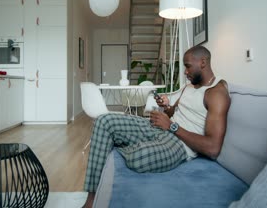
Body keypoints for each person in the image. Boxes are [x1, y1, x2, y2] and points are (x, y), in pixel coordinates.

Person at [82, 46, 230, 208]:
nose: (185, 72)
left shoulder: (216, 93)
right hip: (162, 127)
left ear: (203, 62)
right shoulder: (189, 87)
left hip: (180, 145)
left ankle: (118, 143)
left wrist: (172, 127)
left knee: (138, 158)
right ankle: (91, 201)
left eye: (187, 66)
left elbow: (213, 148)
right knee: (104, 120)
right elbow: (174, 112)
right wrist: (166, 107)